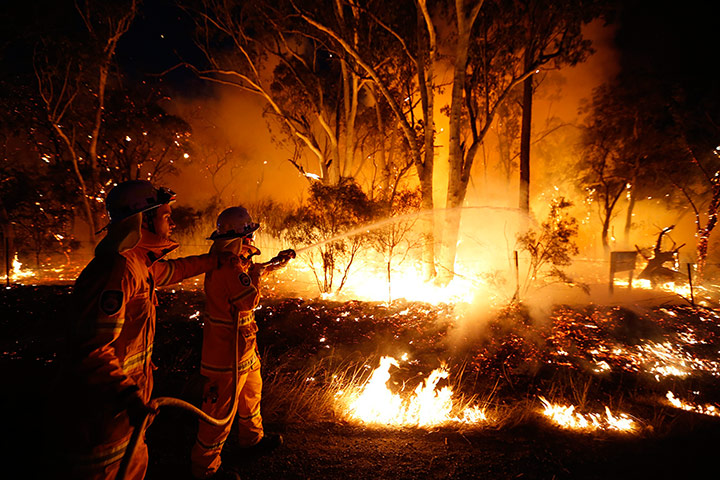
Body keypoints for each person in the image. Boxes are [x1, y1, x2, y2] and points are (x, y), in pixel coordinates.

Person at [57, 180, 231, 480]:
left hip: (125, 413)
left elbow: (176, 270)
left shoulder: (137, 263)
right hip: (105, 415)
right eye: (165, 215)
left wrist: (216, 260)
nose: (172, 221)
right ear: (142, 219)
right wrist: (128, 395)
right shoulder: (118, 271)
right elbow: (91, 349)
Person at [191, 206, 295, 480]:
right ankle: (205, 469)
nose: (252, 240)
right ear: (238, 237)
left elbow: (252, 271)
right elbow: (249, 298)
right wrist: (259, 275)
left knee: (251, 396)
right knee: (219, 412)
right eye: (249, 234)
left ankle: (252, 440)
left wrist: (277, 263)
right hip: (225, 354)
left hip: (243, 348)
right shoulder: (228, 265)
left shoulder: (235, 261)